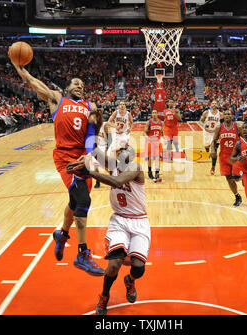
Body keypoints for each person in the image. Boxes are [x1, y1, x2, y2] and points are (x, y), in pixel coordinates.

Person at [12, 63, 105, 276]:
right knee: (84, 201)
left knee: (75, 202)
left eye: (82, 85)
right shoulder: (56, 99)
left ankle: (62, 234)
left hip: (83, 157)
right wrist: (21, 69)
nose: (80, 86)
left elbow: (91, 131)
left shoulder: (89, 105)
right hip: (65, 158)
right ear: (67, 87)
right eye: (76, 84)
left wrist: (90, 153)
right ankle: (82, 254)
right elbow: (34, 83)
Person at [66, 144, 150, 315]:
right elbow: (95, 151)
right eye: (120, 152)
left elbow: (117, 181)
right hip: (119, 220)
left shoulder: (136, 168)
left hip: (139, 221)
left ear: (132, 156)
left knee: (138, 268)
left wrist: (88, 172)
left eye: (126, 151)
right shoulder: (114, 167)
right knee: (113, 265)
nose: (122, 153)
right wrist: (90, 136)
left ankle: (130, 280)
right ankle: (104, 295)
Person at [210, 109, 242, 206]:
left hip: (235, 156)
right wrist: (213, 150)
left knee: (236, 178)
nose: (227, 115)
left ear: (232, 116)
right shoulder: (219, 127)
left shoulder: (238, 127)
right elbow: (214, 141)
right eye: (226, 114)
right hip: (224, 157)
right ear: (223, 116)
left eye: (229, 114)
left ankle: (243, 176)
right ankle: (237, 196)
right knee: (229, 178)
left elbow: (245, 140)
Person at [199, 100, 223, 175]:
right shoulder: (206, 112)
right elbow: (200, 121)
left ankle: (213, 167)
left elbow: (224, 124)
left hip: (215, 133)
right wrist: (203, 125)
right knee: (207, 146)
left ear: (218, 105)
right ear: (210, 105)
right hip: (207, 132)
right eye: (213, 103)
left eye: (215, 103)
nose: (214, 104)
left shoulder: (221, 114)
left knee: (214, 149)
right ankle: (207, 150)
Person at [144, 109, 163, 182]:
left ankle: (157, 173)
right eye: (153, 113)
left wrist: (164, 137)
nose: (154, 114)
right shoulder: (148, 122)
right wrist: (146, 136)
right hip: (150, 142)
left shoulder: (161, 122)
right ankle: (149, 171)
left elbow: (162, 131)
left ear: (157, 114)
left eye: (155, 113)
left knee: (158, 158)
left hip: (158, 143)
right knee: (150, 158)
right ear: (151, 114)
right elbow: (144, 132)